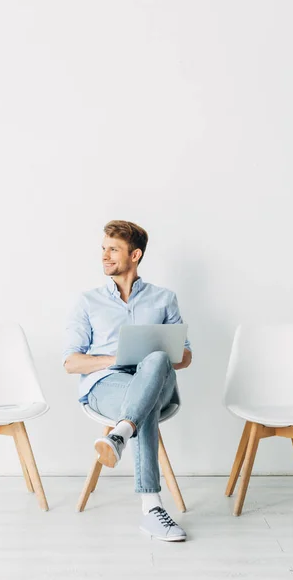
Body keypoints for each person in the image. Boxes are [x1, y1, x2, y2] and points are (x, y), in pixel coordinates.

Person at [63, 220, 192, 541]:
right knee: (143, 405)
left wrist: (160, 352)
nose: (105, 256)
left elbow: (185, 357)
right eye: (103, 249)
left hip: (157, 383)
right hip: (105, 386)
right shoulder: (88, 301)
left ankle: (121, 434)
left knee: (159, 359)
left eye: (113, 250)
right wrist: (116, 359)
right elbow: (71, 362)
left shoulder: (164, 298)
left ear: (135, 255)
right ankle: (151, 507)